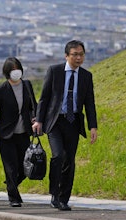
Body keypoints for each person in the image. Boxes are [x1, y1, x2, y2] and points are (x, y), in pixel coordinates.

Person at [32, 40, 98, 211]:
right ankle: (54, 192)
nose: (78, 57)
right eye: (75, 54)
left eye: (81, 54)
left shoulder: (86, 76)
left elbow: (90, 103)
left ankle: (64, 198)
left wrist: (93, 127)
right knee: (58, 156)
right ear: (66, 55)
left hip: (73, 121)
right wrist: (39, 120)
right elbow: (44, 97)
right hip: (55, 121)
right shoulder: (55, 71)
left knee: (69, 160)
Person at [0, 57, 37, 207]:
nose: (16, 72)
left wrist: (35, 119)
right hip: (6, 134)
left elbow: (33, 106)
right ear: (7, 72)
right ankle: (13, 197)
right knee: (10, 166)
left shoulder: (27, 85)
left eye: (18, 69)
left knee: (24, 166)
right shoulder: (1, 90)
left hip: (24, 132)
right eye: (13, 70)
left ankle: (11, 183)